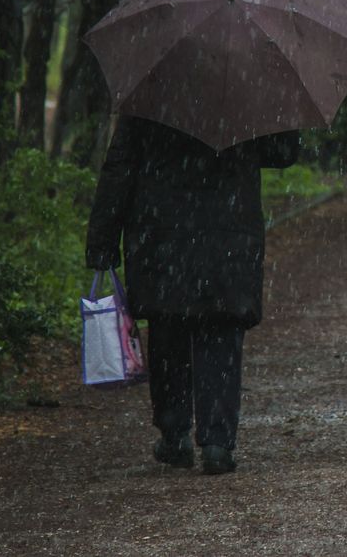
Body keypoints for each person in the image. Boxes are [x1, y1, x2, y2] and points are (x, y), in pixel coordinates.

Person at [86, 115, 300, 475]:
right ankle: (217, 441)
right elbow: (281, 152)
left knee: (168, 333)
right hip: (228, 237)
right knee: (221, 336)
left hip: (163, 238)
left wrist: (103, 240)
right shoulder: (247, 90)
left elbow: (120, 167)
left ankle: (175, 434)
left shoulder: (151, 92)